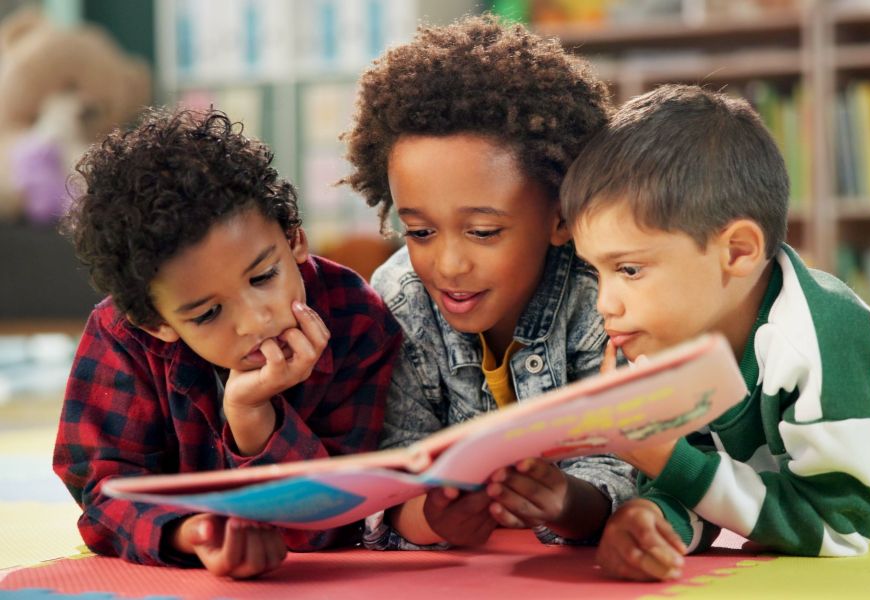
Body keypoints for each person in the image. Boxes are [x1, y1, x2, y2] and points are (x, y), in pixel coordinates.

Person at [560, 83, 870, 581]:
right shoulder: (663, 342)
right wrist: (651, 522)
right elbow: (706, 491)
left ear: (738, 251)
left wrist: (668, 459)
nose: (604, 304)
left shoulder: (819, 337)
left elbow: (839, 525)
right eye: (596, 272)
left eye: (629, 270)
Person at [53, 108, 403, 578]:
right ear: (156, 322)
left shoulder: (355, 317)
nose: (256, 319)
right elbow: (104, 492)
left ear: (294, 239)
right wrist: (192, 533)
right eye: (209, 313)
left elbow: (335, 521)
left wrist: (253, 416)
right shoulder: (122, 336)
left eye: (264, 276)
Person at [340, 14, 636, 551]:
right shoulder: (398, 301)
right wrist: (430, 521)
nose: (448, 265)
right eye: (420, 231)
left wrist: (569, 504)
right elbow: (392, 471)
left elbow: (629, 466)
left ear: (561, 216)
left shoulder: (604, 299)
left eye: (482, 231)